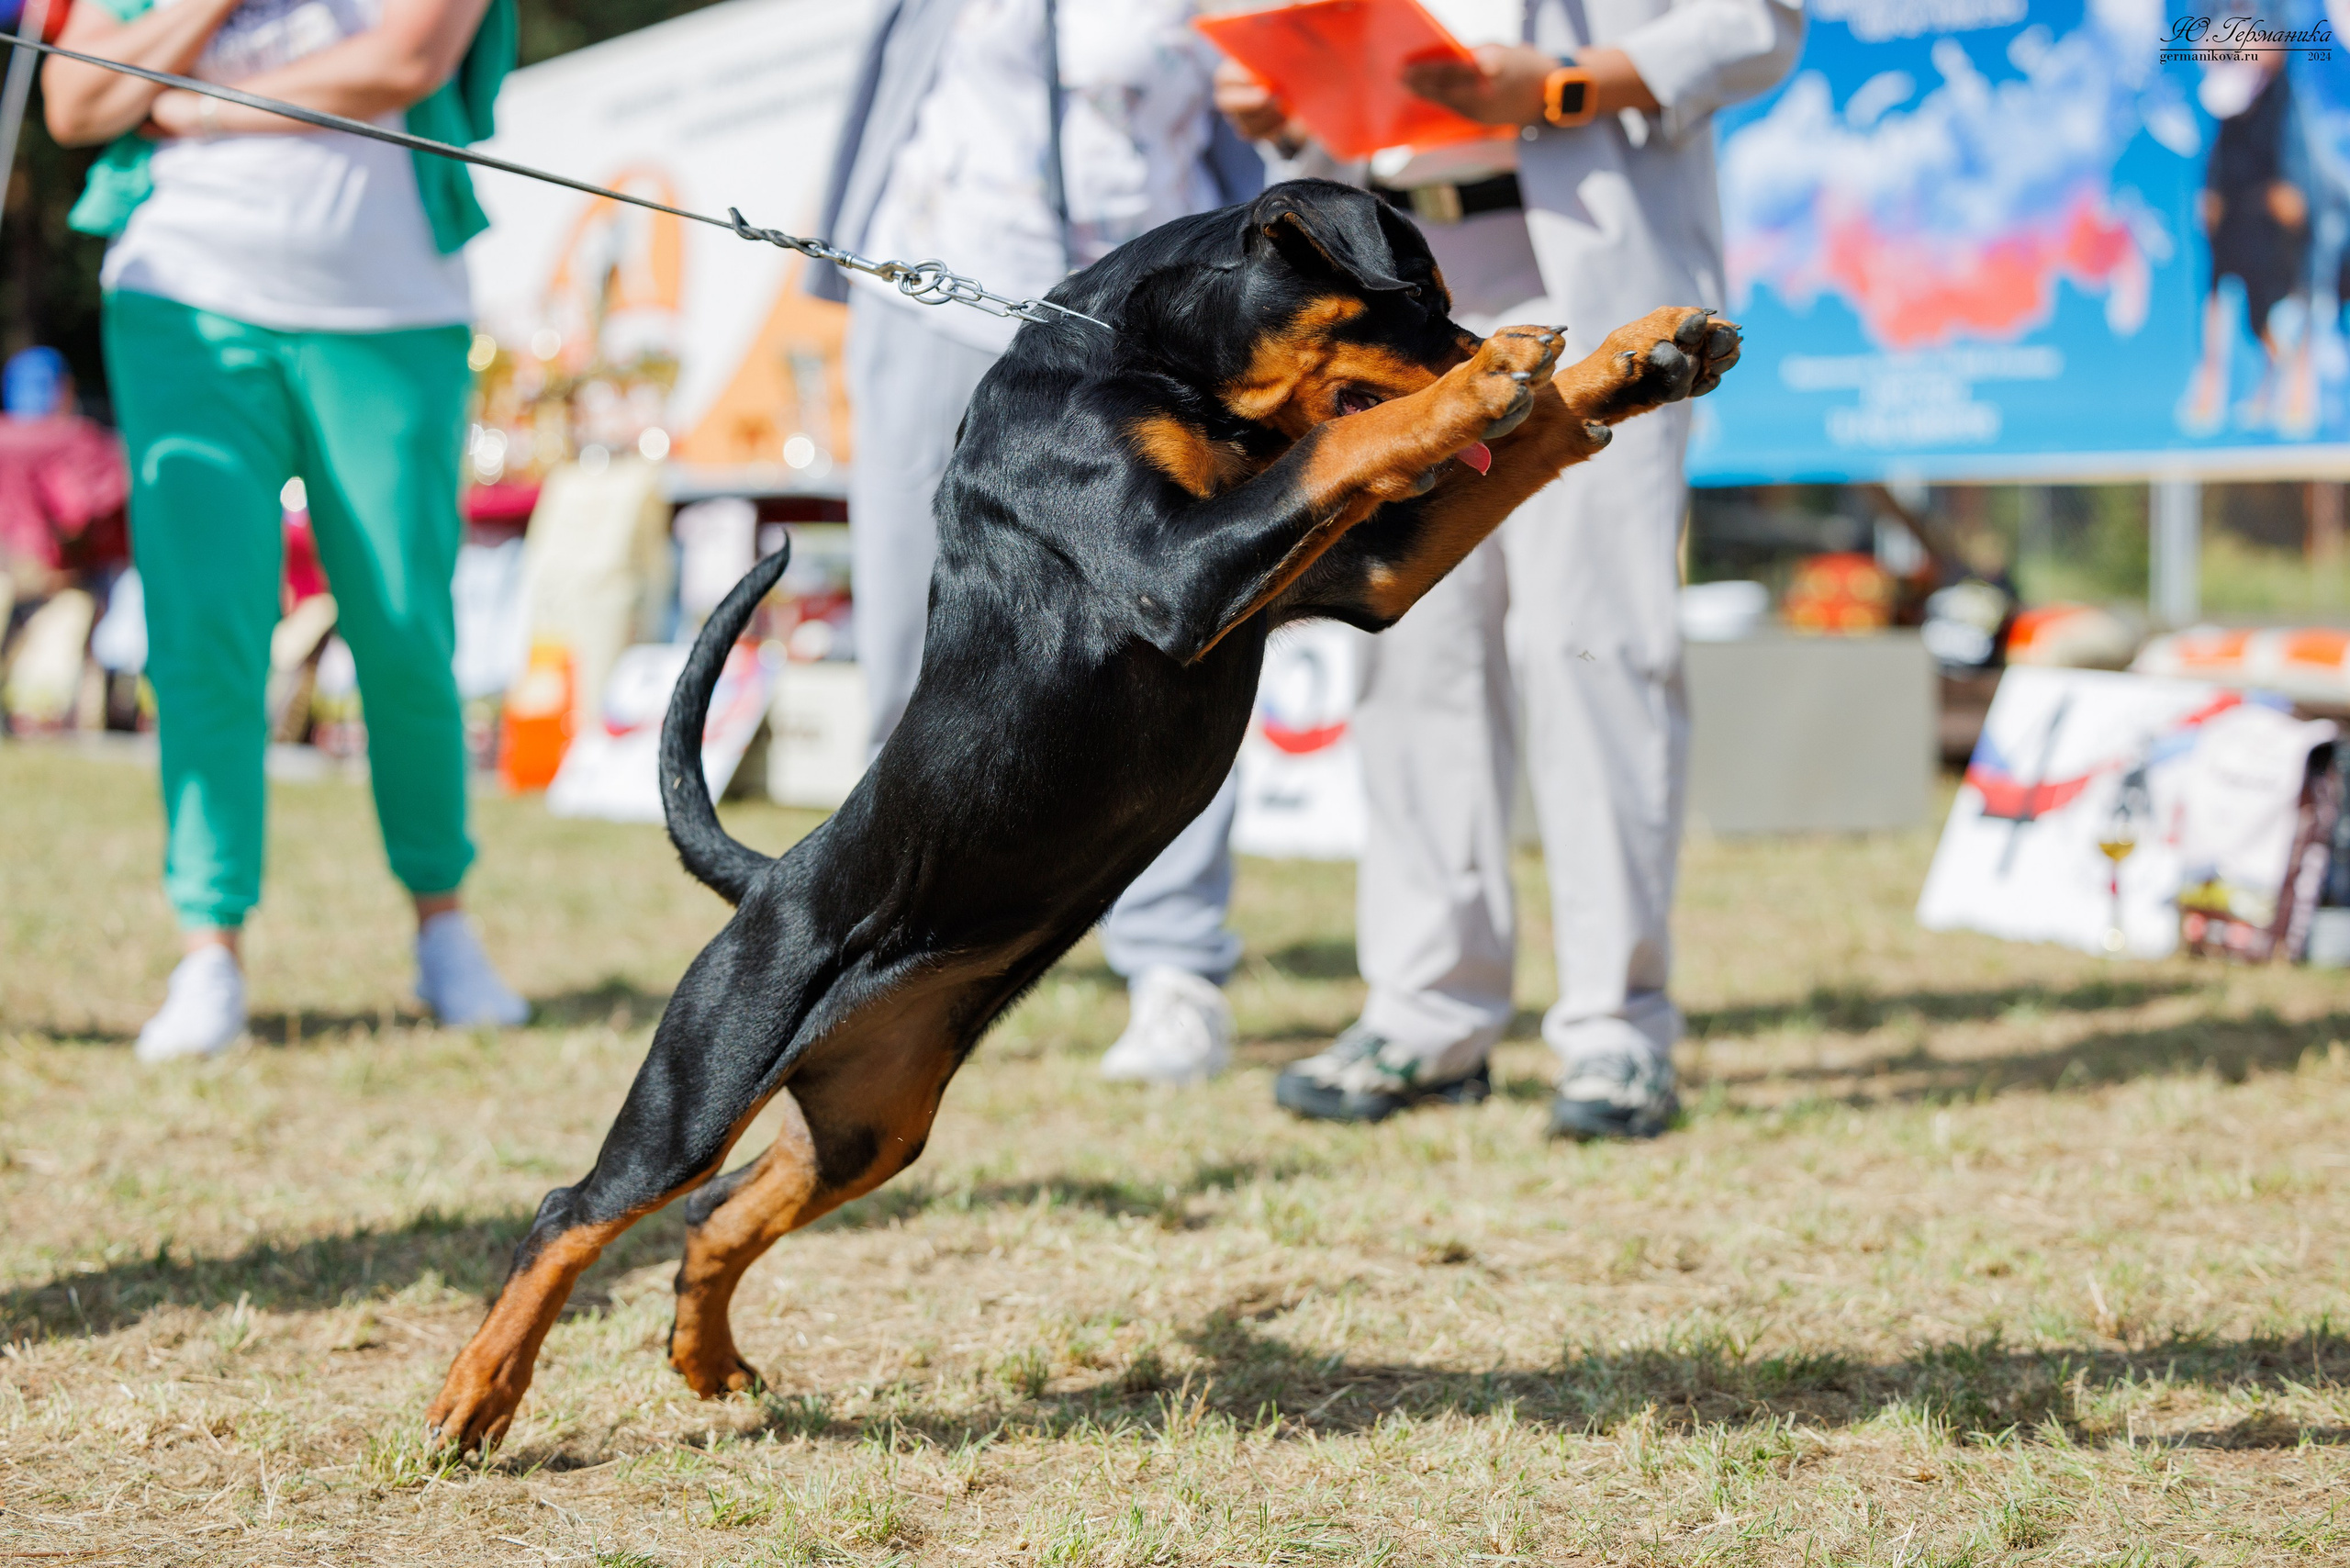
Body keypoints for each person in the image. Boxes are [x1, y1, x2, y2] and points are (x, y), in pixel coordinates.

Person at [1224, 0, 1802, 1137]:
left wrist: (1566, 85)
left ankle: (1616, 1031)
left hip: (1586, 283)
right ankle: (1428, 1014)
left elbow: (1756, 25)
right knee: (1411, 647)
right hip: (1394, 295)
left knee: (1591, 645)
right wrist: (1283, 115)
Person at [44, 0, 529, 1060]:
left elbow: (405, 57)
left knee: (405, 627)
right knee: (201, 624)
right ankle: (208, 943)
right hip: (184, 300)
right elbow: (76, 99)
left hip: (391, 309)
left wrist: (184, 105)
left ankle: (442, 921)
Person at [811, 0, 1266, 1084]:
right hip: (937, 289)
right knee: (914, 639)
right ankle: (892, 954)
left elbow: (1267, 120)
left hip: (1157, 320)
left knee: (1183, 641)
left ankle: (1173, 970)